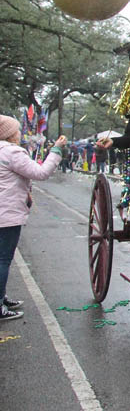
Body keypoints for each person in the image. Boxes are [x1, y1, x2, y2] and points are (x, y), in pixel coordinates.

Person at [0, 115, 66, 321]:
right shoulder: (12, 152)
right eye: (17, 130)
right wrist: (56, 150)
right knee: (3, 259)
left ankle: (1, 296)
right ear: (10, 134)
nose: (20, 133)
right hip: (7, 214)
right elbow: (41, 173)